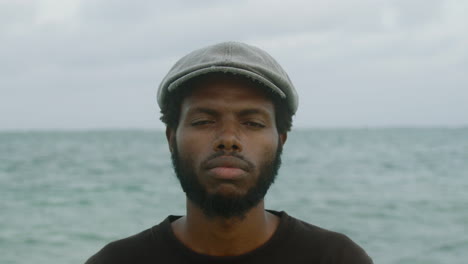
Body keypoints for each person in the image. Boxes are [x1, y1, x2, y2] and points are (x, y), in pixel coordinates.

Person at [85, 41, 373, 264]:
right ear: (172, 138)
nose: (228, 139)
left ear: (280, 140)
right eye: (203, 121)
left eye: (252, 123)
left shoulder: (336, 259)